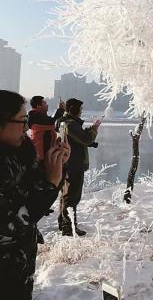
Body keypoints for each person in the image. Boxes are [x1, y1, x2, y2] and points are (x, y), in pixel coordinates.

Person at [0, 90, 70, 299]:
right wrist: (51, 183)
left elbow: (35, 187)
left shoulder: (19, 153)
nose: (27, 127)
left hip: (19, 268)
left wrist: (57, 162)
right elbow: (12, 221)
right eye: (22, 121)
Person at [56, 98, 101, 236]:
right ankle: (69, 228)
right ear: (73, 110)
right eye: (80, 109)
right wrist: (94, 128)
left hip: (68, 164)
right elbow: (86, 139)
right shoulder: (70, 124)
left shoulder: (63, 122)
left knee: (65, 195)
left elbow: (78, 138)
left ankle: (64, 224)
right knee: (72, 197)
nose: (81, 112)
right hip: (74, 165)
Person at [27, 96, 65, 161]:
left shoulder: (38, 116)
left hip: (42, 152)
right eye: (44, 103)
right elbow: (52, 122)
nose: (47, 105)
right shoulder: (36, 116)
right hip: (40, 153)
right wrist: (61, 109)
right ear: (38, 106)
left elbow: (51, 121)